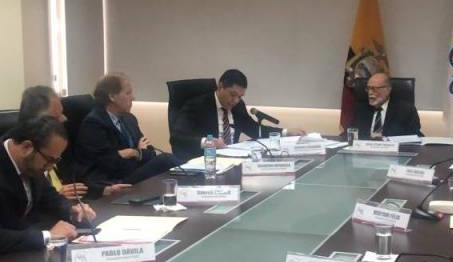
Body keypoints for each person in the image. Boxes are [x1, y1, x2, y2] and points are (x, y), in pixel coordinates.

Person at [0, 116, 96, 254]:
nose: (50, 167)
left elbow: (50, 197)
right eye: (50, 160)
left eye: (56, 161)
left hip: (23, 253)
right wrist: (46, 236)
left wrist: (72, 210)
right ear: (27, 147)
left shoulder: (31, 163)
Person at [17, 85, 131, 200]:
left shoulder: (59, 143)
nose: (64, 118)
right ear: (37, 121)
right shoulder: (23, 157)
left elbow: (75, 181)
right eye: (56, 116)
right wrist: (57, 196)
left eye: (62, 112)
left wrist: (103, 190)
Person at [171, 69, 304, 161]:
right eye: (232, 94)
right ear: (220, 87)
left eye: (240, 97)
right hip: (206, 163)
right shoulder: (197, 105)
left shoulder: (238, 106)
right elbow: (177, 138)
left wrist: (285, 132)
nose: (235, 101)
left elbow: (254, 129)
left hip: (232, 161)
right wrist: (207, 142)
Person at [76, 73, 178, 185]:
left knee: (169, 164)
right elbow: (109, 164)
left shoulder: (129, 118)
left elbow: (150, 151)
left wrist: (133, 153)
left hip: (131, 171)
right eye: (128, 93)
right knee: (165, 160)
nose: (133, 98)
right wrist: (138, 153)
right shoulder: (94, 123)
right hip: (113, 181)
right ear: (112, 97)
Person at [353, 72, 422, 139]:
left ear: (388, 90)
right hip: (365, 146)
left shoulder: (406, 110)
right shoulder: (361, 109)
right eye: (368, 88)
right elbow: (351, 133)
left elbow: (415, 137)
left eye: (374, 89)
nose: (370, 92)